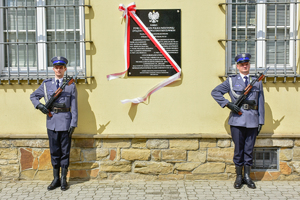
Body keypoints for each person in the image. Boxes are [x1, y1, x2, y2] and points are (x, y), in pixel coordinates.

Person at [211, 53, 265, 189]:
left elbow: (261, 102)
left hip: (252, 119)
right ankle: (239, 177)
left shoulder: (257, 81)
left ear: (249, 65)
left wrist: (261, 121)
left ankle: (247, 176)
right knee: (239, 149)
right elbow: (215, 92)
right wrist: (228, 104)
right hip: (237, 120)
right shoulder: (231, 81)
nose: (244, 66)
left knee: (249, 149)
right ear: (238, 66)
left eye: (246, 64)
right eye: (242, 64)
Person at [30, 56, 78, 191]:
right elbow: (33, 96)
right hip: (52, 122)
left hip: (66, 123)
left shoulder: (71, 85)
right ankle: (56, 178)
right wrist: (40, 106)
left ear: (65, 69)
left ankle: (64, 179)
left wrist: (73, 123)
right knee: (54, 151)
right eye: (56, 68)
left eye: (61, 68)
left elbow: (74, 106)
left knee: (65, 152)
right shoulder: (46, 84)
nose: (59, 70)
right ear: (53, 69)